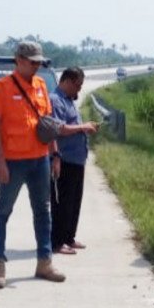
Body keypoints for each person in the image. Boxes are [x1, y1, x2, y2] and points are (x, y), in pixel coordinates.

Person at [0, 41, 66, 288]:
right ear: (18, 60)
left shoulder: (41, 85)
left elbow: (48, 124)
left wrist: (54, 155)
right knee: (2, 212)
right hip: (13, 161)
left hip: (40, 159)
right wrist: (0, 161)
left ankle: (45, 261)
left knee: (43, 211)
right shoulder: (1, 87)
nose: (36, 66)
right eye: (32, 62)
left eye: (38, 62)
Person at [49, 67, 100, 255]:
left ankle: (69, 237)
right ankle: (57, 241)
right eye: (77, 85)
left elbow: (73, 126)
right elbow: (58, 129)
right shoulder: (55, 100)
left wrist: (85, 128)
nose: (79, 90)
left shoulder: (69, 101)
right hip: (64, 159)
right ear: (67, 81)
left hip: (77, 159)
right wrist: (82, 127)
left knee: (74, 202)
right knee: (62, 203)